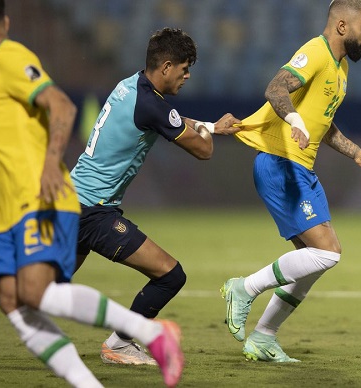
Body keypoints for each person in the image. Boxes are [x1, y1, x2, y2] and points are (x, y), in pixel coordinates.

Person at [0, 1, 183, 387]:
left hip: (50, 199)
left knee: (31, 293)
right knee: (15, 295)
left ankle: (143, 335)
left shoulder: (8, 57)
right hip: (16, 203)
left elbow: (60, 106)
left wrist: (48, 165)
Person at [221, 0, 361, 362]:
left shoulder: (341, 68)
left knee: (314, 260)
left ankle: (263, 337)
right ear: (343, 26)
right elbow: (276, 90)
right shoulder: (315, 52)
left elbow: (322, 124)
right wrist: (294, 122)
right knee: (327, 253)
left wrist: (357, 152)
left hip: (301, 168)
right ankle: (243, 288)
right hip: (282, 164)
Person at [69, 27, 242, 365]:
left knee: (32, 286)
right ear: (165, 67)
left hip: (72, 202)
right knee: (170, 275)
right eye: (184, 68)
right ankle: (120, 343)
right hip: (94, 211)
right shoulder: (150, 104)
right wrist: (209, 133)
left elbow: (169, 117)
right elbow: (203, 151)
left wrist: (210, 124)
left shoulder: (130, 86)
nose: (188, 75)